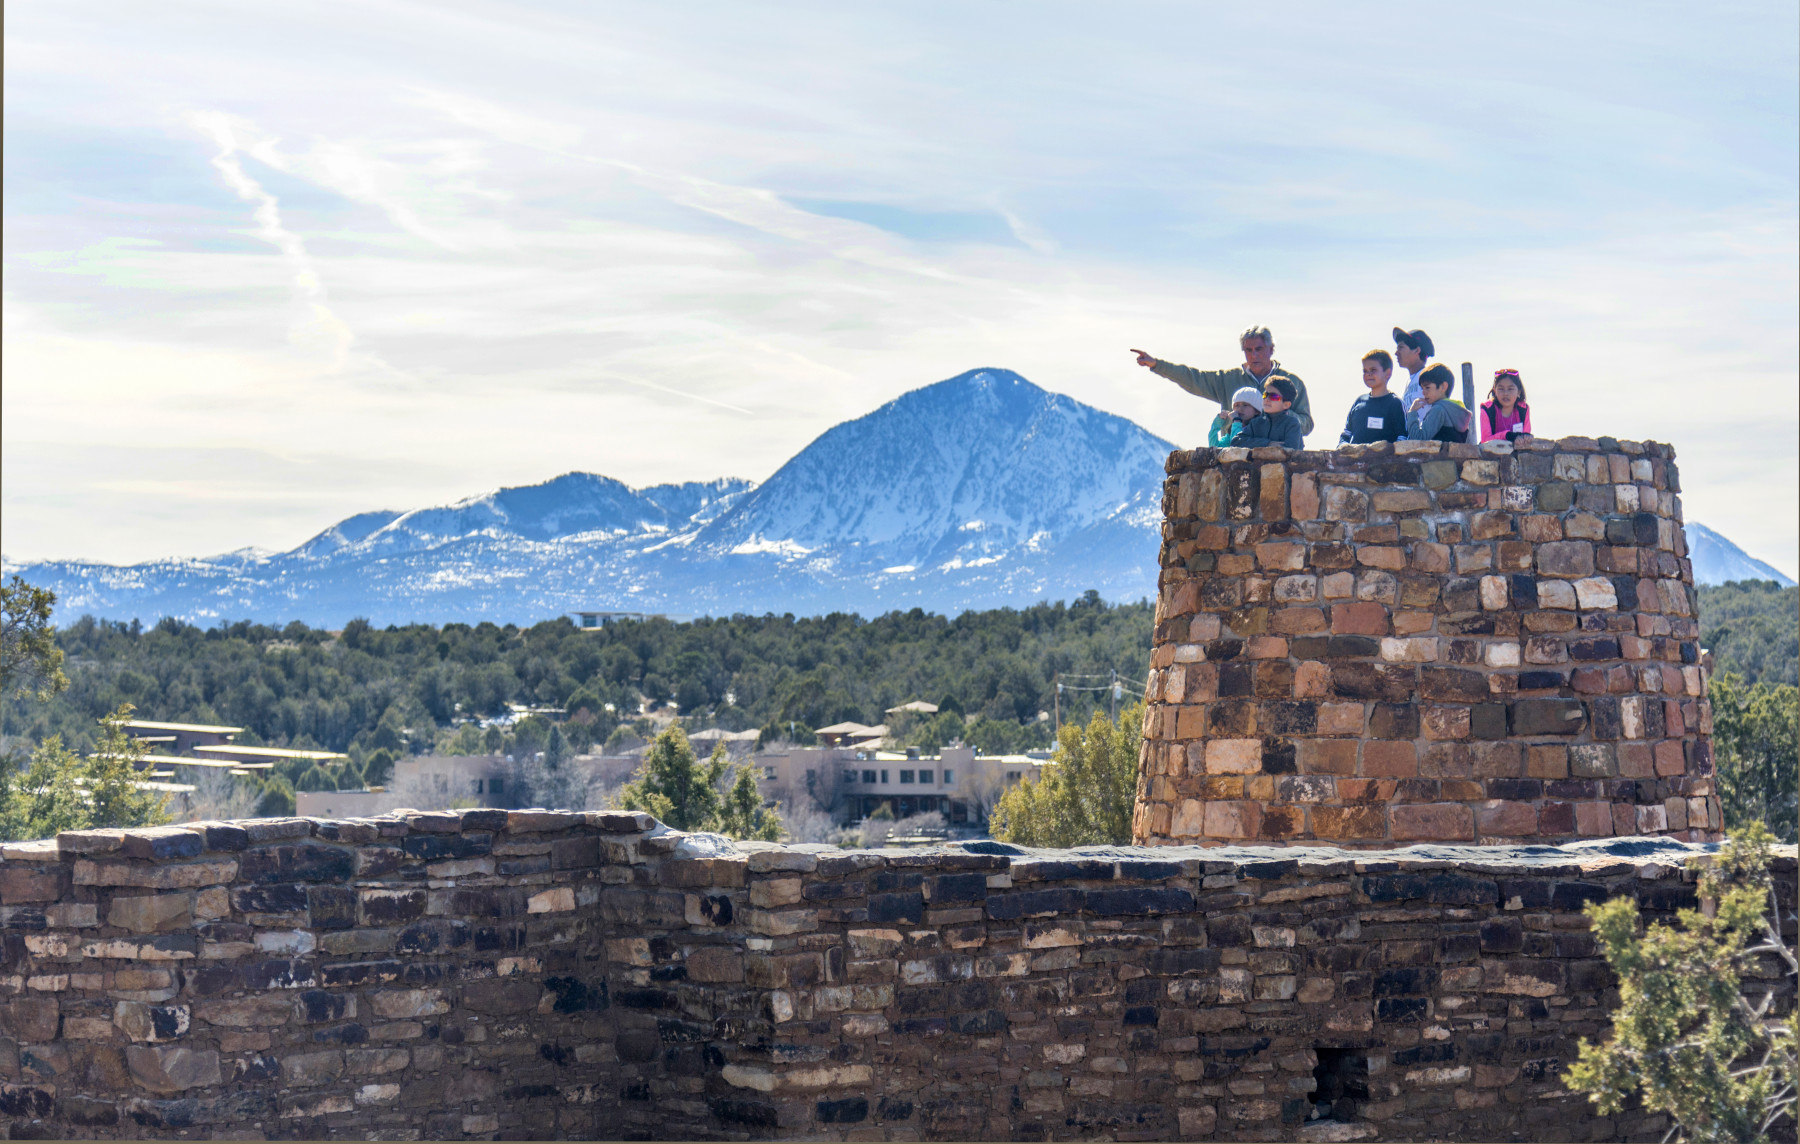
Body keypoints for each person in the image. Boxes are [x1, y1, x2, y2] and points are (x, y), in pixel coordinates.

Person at [1132, 325, 1313, 436]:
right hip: (1236, 455)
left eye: (1259, 348)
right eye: (1248, 350)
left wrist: (1284, 415)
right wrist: (1157, 365)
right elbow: (1193, 378)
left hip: (1278, 457)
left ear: (1271, 349)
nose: (1254, 355)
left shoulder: (1291, 383)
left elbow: (1307, 424)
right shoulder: (1228, 380)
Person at [1339, 349, 1406, 445]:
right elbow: (1346, 433)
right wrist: (1343, 446)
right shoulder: (1359, 401)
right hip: (1355, 459)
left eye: (1373, 370)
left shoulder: (1395, 404)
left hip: (1384, 460)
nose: (1368, 374)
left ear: (1388, 373)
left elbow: (1402, 437)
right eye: (1365, 371)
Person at [1405, 363, 1472, 443]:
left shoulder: (1438, 409)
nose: (1423, 393)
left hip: (1438, 455)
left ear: (1443, 387)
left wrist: (1412, 412)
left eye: (1427, 387)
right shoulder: (1459, 410)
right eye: (1422, 388)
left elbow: (1419, 439)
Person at [1236, 376, 1305, 450]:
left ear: (1286, 405)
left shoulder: (1291, 423)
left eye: (1274, 396)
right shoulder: (1256, 423)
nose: (1267, 399)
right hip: (1260, 461)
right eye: (1265, 395)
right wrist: (1267, 443)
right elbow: (1236, 441)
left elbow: (1291, 448)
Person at [1479, 368, 1532, 442]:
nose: (1505, 393)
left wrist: (1527, 437)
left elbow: (1526, 437)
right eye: (1501, 389)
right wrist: (1506, 435)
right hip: (1491, 453)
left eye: (1510, 389)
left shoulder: (1523, 409)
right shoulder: (1487, 409)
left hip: (1518, 453)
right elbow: (1485, 440)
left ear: (1519, 391)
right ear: (1495, 390)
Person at [1393, 327, 1435, 411]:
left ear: (1417, 350)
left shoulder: (1429, 379)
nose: (1396, 353)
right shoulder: (1410, 381)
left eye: (1401, 347)